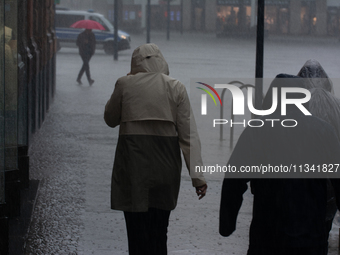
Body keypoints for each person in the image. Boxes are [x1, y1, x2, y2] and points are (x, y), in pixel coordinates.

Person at [104, 43, 207, 255]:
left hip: (132, 169)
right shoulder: (176, 87)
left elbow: (110, 119)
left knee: (136, 233)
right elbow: (189, 136)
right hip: (165, 169)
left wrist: (127, 81)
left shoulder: (125, 84)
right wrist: (198, 178)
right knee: (159, 232)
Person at [219, 74, 340, 255]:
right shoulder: (324, 131)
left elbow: (233, 179)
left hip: (267, 237)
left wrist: (227, 224)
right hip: (311, 237)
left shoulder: (256, 131)